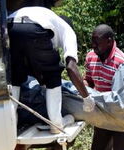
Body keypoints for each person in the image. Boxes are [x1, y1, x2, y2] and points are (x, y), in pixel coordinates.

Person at [7, 6, 95, 134]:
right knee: (53, 73)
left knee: (15, 77)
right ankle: (56, 123)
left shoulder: (48, 19)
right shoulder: (68, 31)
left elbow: (35, 63)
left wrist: (43, 84)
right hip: (33, 28)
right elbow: (71, 67)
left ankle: (9, 125)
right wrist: (86, 98)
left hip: (9, 27)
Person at [84, 24, 124, 150]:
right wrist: (84, 89)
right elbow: (88, 80)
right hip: (104, 109)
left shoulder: (123, 63)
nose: (93, 45)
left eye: (97, 42)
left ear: (109, 42)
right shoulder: (91, 57)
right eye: (92, 41)